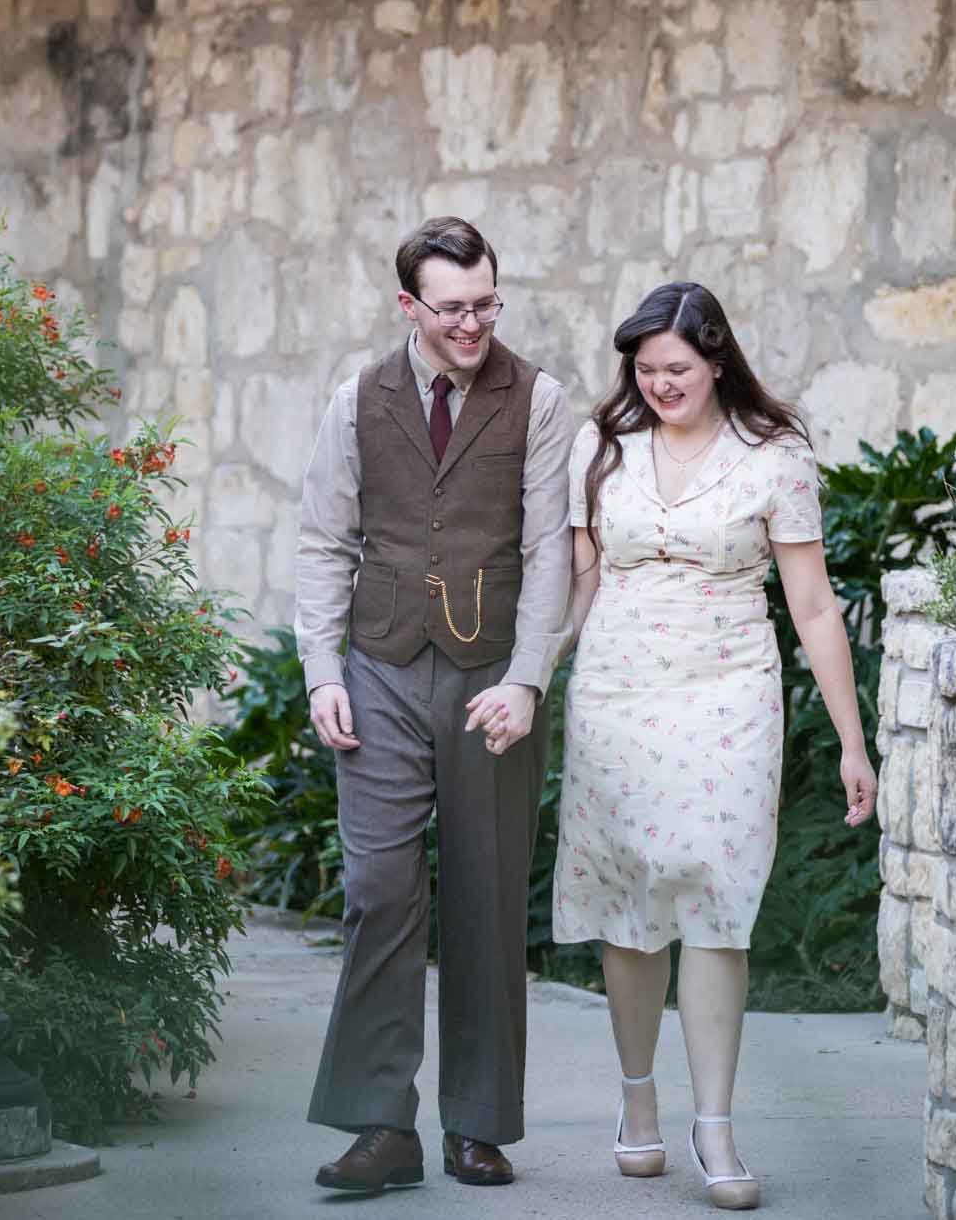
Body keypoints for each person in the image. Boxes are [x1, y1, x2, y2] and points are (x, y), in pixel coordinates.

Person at [553, 281, 877, 1211]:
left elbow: (812, 608)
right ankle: (638, 1102)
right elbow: (580, 586)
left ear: (718, 360)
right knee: (628, 898)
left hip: (729, 694)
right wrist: (528, 677)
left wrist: (854, 742)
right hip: (616, 693)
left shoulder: (776, 457)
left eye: (677, 369)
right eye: (645, 370)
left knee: (716, 897)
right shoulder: (600, 448)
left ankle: (717, 1124)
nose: (659, 384)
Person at [294, 216, 576, 1192]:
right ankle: (381, 1125)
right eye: (453, 308)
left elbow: (550, 552)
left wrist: (526, 676)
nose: (472, 324)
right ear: (408, 305)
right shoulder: (355, 399)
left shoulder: (538, 401)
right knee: (378, 892)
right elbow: (325, 542)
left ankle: (477, 1124)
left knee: (487, 895)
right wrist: (321, 672)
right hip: (375, 667)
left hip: (488, 671)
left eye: (486, 303)